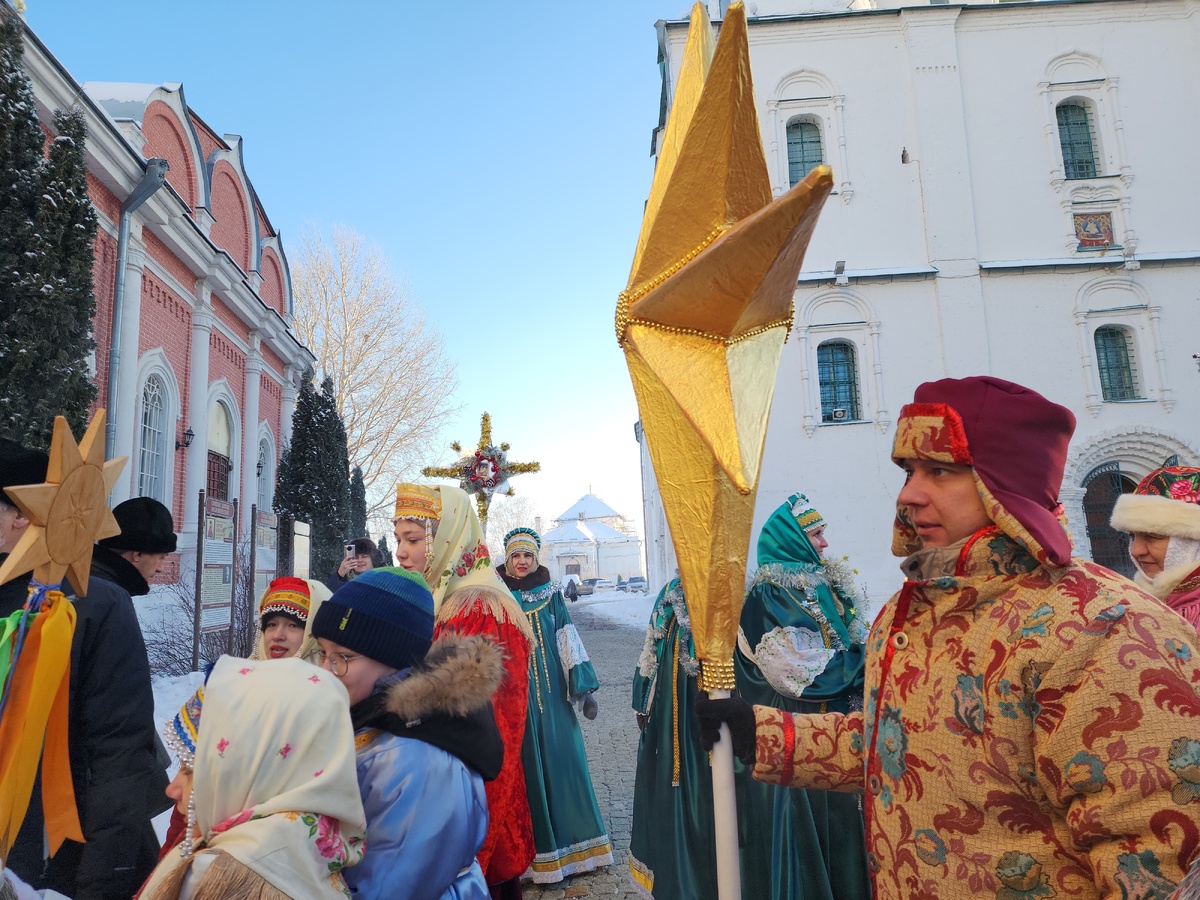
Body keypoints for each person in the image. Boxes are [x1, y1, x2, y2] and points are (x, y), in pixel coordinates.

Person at [697, 376, 1200, 898]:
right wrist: (764, 735)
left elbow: (1153, 860)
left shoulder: (1105, 627)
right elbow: (903, 750)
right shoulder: (910, 615)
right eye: (909, 471)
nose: (909, 494)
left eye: (940, 471)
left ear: (1003, 486)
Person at [0, 439, 166, 900]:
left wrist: (105, 874)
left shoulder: (92, 606)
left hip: (49, 859)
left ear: (19, 514)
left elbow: (119, 749)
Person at [311, 566, 505, 899]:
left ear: (393, 660)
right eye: (322, 653)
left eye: (343, 657)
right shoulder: (368, 715)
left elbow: (392, 884)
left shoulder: (417, 759)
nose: (327, 670)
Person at [392, 483, 535, 899]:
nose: (401, 552)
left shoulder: (478, 608)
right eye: (399, 539)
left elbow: (487, 734)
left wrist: (467, 845)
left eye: (414, 540)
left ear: (448, 538)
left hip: (470, 813)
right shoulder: (446, 596)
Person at [733, 492, 870, 899]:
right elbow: (799, 674)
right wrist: (873, 658)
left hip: (832, 740)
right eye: (816, 533)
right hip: (795, 743)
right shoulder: (771, 594)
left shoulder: (817, 586)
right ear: (793, 539)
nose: (825, 542)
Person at [138, 656, 366, 899]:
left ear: (250, 771)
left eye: (191, 770)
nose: (171, 789)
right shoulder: (309, 846)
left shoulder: (219, 879)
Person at [498, 527, 613, 884]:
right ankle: (528, 857)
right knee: (523, 768)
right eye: (515, 556)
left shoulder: (551, 595)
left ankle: (577, 846)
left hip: (551, 697)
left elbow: (568, 638)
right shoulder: (497, 596)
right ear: (506, 558)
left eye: (527, 556)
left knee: (565, 762)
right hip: (513, 697)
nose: (521, 562)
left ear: (536, 559)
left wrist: (582, 689)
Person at [628, 577, 717, 900]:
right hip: (674, 713)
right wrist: (644, 696)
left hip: (719, 707)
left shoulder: (729, 587)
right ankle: (680, 868)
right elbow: (653, 644)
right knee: (678, 784)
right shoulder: (671, 592)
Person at [1110, 465, 1200, 630]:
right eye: (1132, 536)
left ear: (1193, 541)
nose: (1136, 551)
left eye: (1152, 536)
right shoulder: (1134, 603)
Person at [91, 496, 177, 596]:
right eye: (161, 557)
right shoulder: (113, 598)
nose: (160, 569)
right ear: (138, 554)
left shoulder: (79, 579)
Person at [248, 576, 332, 662]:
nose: (277, 636)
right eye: (271, 625)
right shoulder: (243, 674)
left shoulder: (333, 675)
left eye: (293, 625)